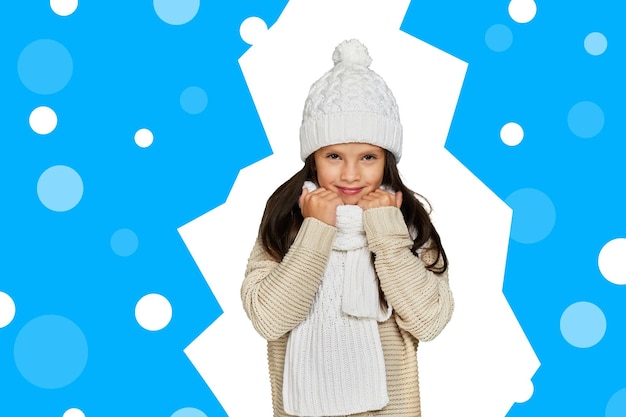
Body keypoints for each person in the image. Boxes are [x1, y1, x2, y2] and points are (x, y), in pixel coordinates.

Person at [241, 39, 454, 417]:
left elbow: (430, 321)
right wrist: (315, 231)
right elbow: (269, 319)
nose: (351, 174)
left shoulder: (406, 224)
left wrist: (387, 234)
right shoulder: (285, 222)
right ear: (313, 158)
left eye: (368, 157)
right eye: (334, 156)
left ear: (387, 160)